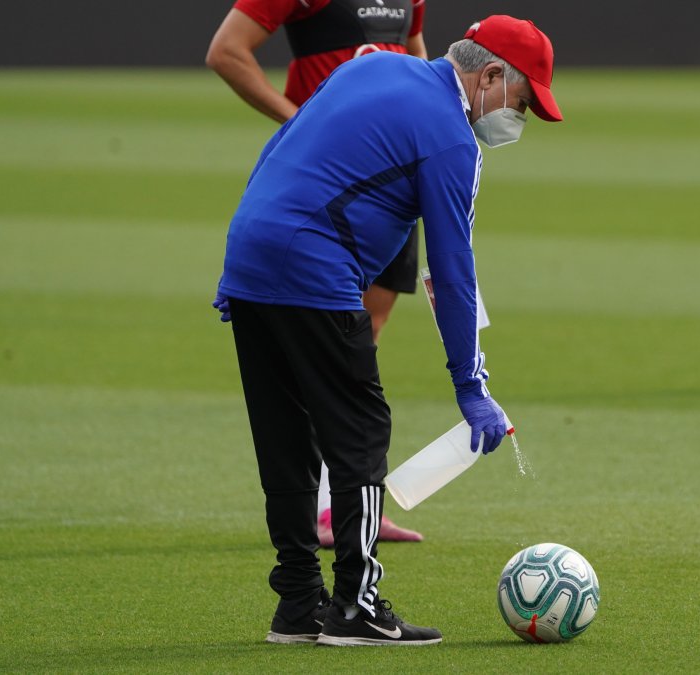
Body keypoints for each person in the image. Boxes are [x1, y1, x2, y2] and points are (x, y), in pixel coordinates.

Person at [211, 15, 562, 646]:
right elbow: (453, 271)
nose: (521, 117)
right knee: (360, 431)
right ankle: (356, 607)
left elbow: (285, 141)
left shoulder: (374, 63)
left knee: (286, 438)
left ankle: (297, 605)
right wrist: (470, 384)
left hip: (251, 252)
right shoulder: (453, 140)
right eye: (523, 101)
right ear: (488, 76)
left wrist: (240, 265)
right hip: (314, 270)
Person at [206, 0, 428, 543]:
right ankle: (325, 509)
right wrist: (297, 120)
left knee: (360, 346)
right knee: (320, 353)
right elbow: (227, 50)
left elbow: (418, 56)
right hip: (325, 188)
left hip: (392, 186)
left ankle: (344, 504)